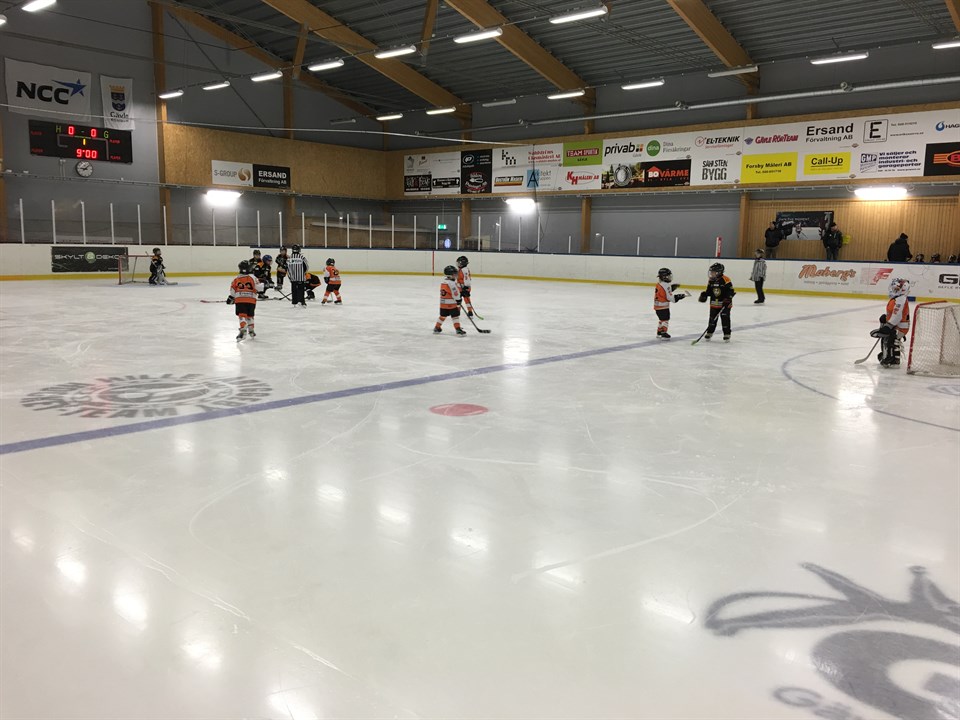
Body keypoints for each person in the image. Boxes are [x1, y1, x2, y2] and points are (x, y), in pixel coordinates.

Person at [870, 278, 910, 367]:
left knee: (888, 338)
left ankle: (891, 359)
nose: (893, 290)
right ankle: (890, 357)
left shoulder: (900, 300)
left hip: (900, 328)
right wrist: (886, 318)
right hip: (895, 325)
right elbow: (893, 313)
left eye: (896, 289)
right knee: (885, 336)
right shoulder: (897, 298)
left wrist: (888, 326)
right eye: (894, 288)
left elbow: (897, 316)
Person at [698, 262, 736, 341]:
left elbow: (731, 291)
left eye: (713, 272)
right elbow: (709, 291)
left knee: (725, 318)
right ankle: (710, 332)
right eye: (711, 272)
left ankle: (727, 333)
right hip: (714, 303)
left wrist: (728, 298)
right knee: (712, 319)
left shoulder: (726, 280)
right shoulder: (711, 280)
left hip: (725, 304)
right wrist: (704, 294)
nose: (711, 273)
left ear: (719, 272)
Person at [228, 261, 264, 341]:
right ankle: (251, 330)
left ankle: (243, 328)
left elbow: (232, 291)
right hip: (251, 300)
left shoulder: (236, 279)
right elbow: (259, 288)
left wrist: (231, 297)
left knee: (242, 315)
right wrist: (265, 284)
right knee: (250, 315)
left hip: (240, 300)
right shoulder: (253, 277)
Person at [653, 267, 690, 339]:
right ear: (664, 277)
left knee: (661, 319)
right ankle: (663, 332)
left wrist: (671, 288)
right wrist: (680, 296)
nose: (669, 277)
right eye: (668, 276)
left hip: (657, 306)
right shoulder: (666, 285)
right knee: (665, 319)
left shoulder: (659, 284)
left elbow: (663, 293)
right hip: (663, 306)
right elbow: (671, 298)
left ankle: (659, 332)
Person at [434, 265, 466, 336]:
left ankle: (437, 327)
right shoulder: (452, 283)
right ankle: (458, 329)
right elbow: (455, 293)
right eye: (454, 274)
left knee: (442, 316)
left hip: (443, 304)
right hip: (451, 304)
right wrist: (458, 299)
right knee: (455, 316)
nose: (456, 275)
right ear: (450, 275)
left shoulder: (443, 282)